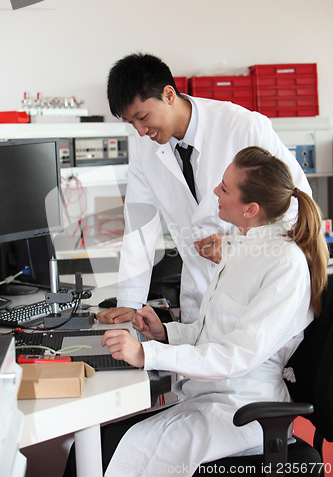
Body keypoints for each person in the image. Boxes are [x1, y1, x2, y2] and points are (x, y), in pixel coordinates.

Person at [88, 146, 328, 477]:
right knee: (96, 446)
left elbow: (234, 356)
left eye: (225, 188)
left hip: (242, 412)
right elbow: (212, 332)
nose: (215, 190)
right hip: (210, 398)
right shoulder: (242, 246)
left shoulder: (284, 264)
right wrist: (165, 333)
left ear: (251, 209)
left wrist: (148, 354)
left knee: (101, 454)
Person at [97, 53, 312, 325]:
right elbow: (140, 224)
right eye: (131, 123)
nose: (140, 131)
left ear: (168, 95)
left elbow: (296, 204)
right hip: (200, 299)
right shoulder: (143, 149)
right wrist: (129, 303)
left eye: (142, 117)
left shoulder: (242, 126)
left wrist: (239, 247)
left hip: (258, 293)